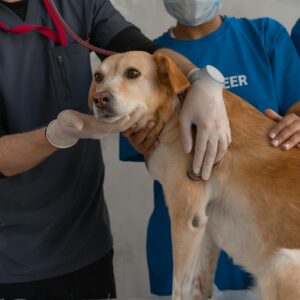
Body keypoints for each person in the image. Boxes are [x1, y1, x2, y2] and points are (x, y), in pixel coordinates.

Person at [0, 0, 231, 299]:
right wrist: (55, 135)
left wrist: (201, 81)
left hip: (87, 244)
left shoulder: (77, 4)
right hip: (14, 261)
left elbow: (148, 54)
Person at [120, 0, 300, 295]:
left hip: (265, 239)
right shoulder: (146, 62)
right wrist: (143, 139)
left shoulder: (265, 36)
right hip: (183, 239)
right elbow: (148, 147)